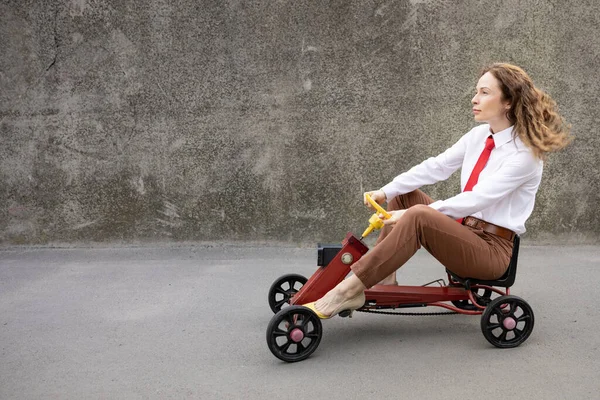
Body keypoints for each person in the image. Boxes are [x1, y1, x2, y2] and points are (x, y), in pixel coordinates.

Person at [304, 63, 572, 319]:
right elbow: (437, 166)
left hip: (491, 250)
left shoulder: (525, 155)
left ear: (508, 102)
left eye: (484, 92)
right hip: (465, 232)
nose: (474, 99)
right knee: (405, 197)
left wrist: (410, 214)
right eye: (476, 91)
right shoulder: (478, 136)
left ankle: (348, 290)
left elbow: (477, 198)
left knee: (418, 214)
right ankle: (385, 279)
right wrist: (386, 192)